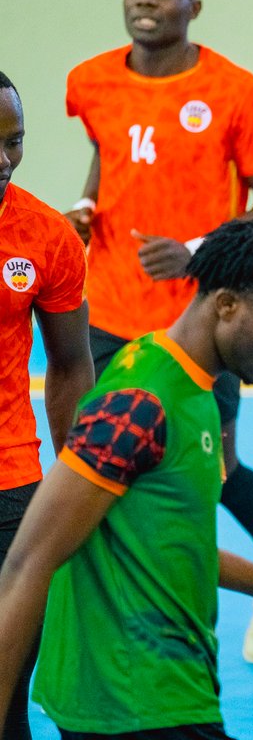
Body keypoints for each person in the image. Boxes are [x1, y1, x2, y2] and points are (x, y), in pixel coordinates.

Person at [60, 0, 253, 663]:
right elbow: (111, 151)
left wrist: (201, 251)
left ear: (193, 7)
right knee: (106, 457)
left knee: (215, 468)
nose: (146, 0)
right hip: (109, 306)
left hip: (200, 320)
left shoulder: (234, 91)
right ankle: (126, 601)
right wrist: (86, 207)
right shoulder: (90, 81)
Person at [0, 219, 253, 739]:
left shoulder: (193, 389)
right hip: (132, 700)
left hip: (170, 690)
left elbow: (160, 538)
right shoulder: (139, 404)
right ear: (227, 305)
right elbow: (28, 562)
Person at [0, 72, 95, 740]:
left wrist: (79, 478)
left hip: (11, 486)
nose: (4, 159)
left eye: (15, 141)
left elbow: (69, 363)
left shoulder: (45, 236)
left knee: (7, 694)